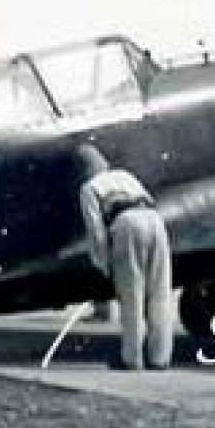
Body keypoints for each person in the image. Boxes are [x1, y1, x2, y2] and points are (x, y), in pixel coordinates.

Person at [76, 144, 173, 371]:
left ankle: (132, 358)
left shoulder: (88, 188)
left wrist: (104, 264)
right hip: (155, 221)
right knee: (159, 293)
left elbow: (96, 231)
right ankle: (160, 358)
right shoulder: (125, 175)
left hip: (125, 224)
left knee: (132, 296)